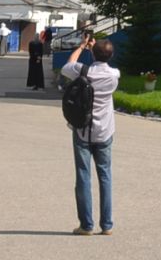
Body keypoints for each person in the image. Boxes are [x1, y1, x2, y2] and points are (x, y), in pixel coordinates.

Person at [61, 34, 119, 235]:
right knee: (105, 176)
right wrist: (96, 50)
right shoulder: (114, 75)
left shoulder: (82, 71)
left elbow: (68, 65)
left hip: (83, 130)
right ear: (110, 56)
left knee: (83, 176)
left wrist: (82, 46)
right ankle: (107, 225)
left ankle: (86, 225)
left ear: (93, 53)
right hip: (105, 131)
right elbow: (105, 62)